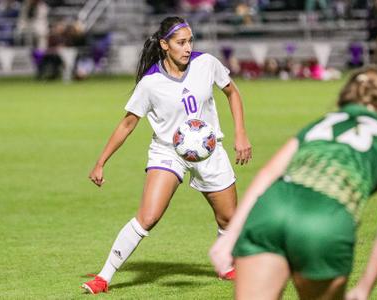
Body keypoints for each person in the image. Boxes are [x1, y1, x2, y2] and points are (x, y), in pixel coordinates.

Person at [210, 65, 377, 300]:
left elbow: (268, 173)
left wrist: (231, 234)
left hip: (272, 208)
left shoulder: (323, 123)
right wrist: (364, 287)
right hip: (324, 221)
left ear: (345, 98)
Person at [82, 16, 252, 294]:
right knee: (148, 216)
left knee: (228, 219)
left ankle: (225, 264)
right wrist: (101, 161)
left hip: (209, 150)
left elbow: (233, 93)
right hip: (168, 151)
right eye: (181, 42)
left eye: (190, 41)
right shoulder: (150, 83)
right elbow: (127, 123)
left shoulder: (206, 64)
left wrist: (241, 133)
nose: (188, 48)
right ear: (164, 45)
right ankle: (104, 277)